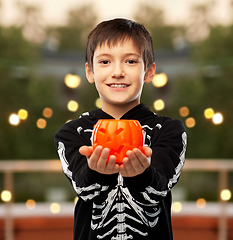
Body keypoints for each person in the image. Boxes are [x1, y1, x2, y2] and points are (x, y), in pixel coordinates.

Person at [54, 18, 187, 240]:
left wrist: (142, 175)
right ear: (89, 72)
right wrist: (96, 172)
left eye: (131, 62)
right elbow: (84, 189)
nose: (117, 72)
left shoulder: (169, 130)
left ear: (149, 72)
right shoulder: (72, 133)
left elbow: (158, 189)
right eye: (105, 62)